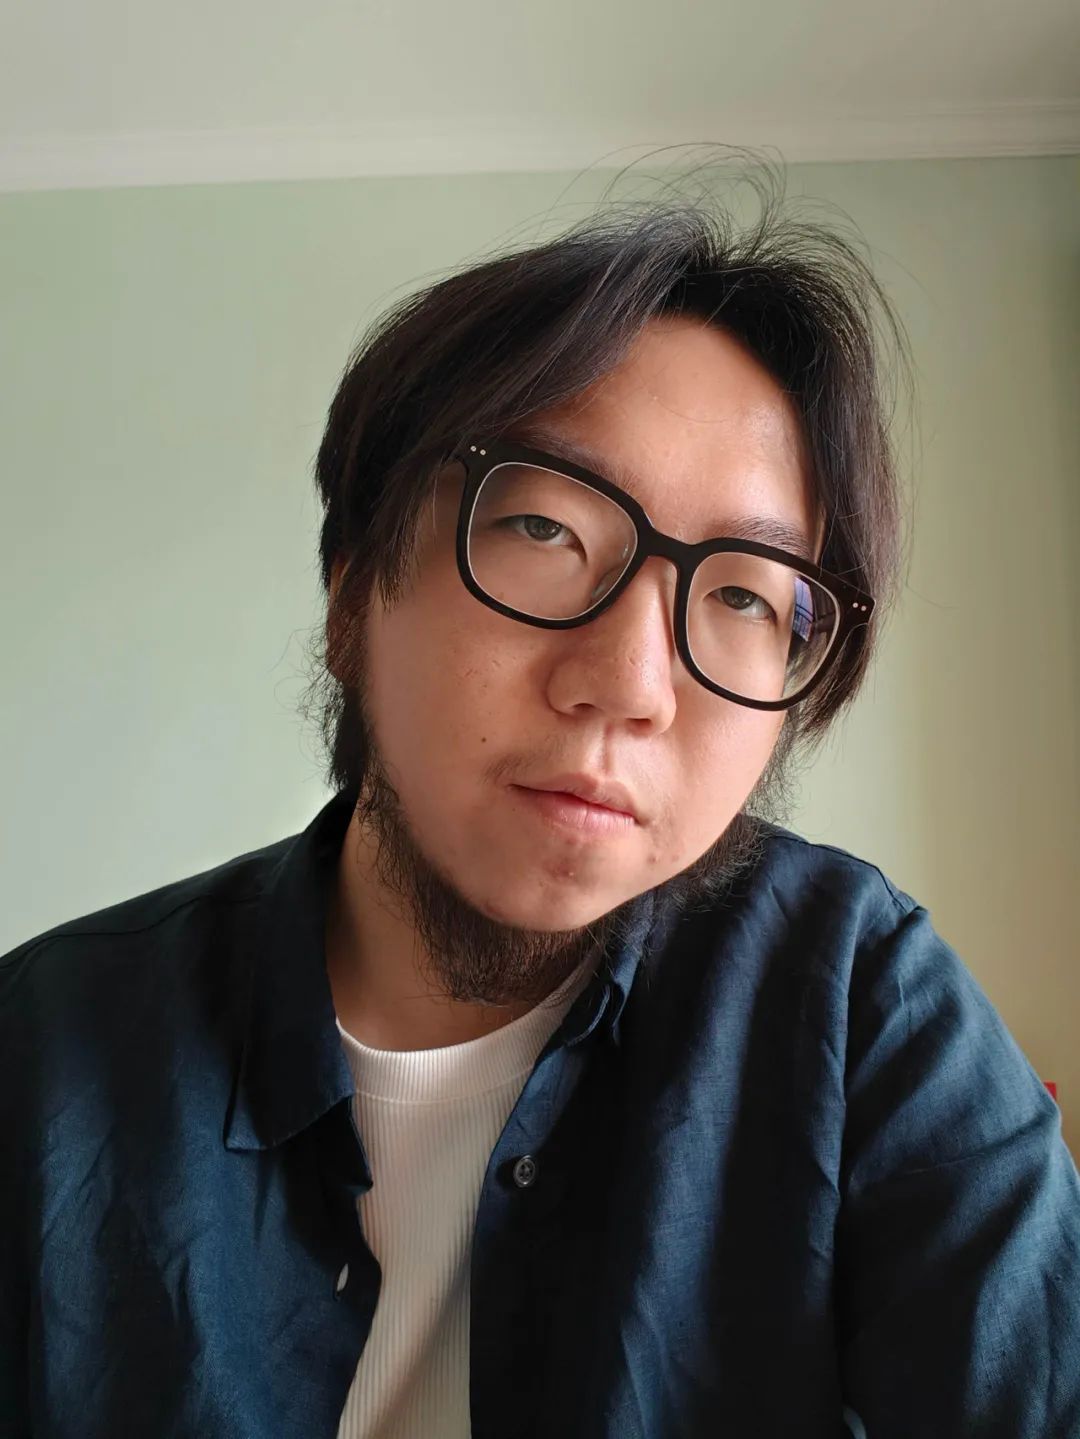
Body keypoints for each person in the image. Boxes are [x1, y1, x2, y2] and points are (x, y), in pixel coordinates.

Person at [3, 173, 1079, 1439]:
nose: (630, 683)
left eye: (744, 594)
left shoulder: (858, 999)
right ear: (352, 595)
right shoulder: (51, 1049)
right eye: (543, 528)